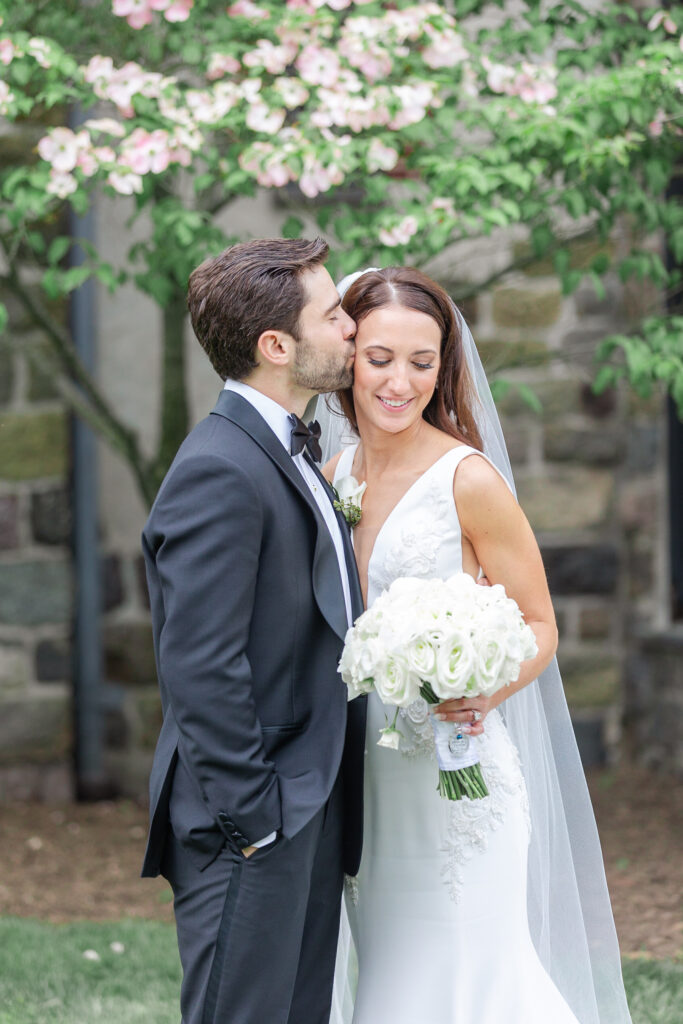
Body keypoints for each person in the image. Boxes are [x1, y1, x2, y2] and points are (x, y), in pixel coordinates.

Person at [319, 267, 633, 1024]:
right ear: (347, 356)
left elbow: (539, 623)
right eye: (379, 358)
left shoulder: (467, 479)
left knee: (473, 973)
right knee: (393, 978)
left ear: (443, 367)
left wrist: (484, 687)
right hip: (368, 782)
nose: (400, 381)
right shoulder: (332, 476)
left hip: (459, 778)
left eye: (421, 363)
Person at [140, 237, 367, 1024]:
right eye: (333, 313)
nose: (351, 329)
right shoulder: (220, 467)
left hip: (307, 806)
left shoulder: (292, 449)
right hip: (253, 820)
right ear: (276, 346)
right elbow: (199, 664)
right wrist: (257, 820)